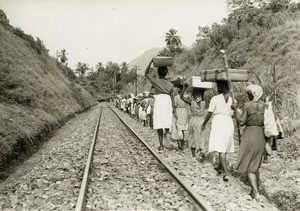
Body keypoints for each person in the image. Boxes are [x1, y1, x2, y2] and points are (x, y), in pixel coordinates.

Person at [233, 84, 265, 201]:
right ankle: (254, 190)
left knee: (248, 166)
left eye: (248, 94)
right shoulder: (264, 106)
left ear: (251, 94)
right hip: (260, 135)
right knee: (255, 165)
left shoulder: (247, 105)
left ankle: (256, 193)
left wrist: (235, 109)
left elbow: (241, 121)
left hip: (250, 134)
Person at [202, 80, 234, 182]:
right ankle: (220, 167)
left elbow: (210, 113)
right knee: (225, 145)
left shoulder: (215, 98)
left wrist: (204, 123)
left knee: (221, 148)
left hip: (219, 122)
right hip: (228, 122)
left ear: (219, 87)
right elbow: (233, 111)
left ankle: (225, 173)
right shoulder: (231, 98)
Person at [145, 59, 175, 151]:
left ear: (158, 72)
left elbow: (146, 73)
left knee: (159, 123)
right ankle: (167, 144)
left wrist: (150, 61)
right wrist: (173, 109)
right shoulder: (170, 84)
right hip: (167, 102)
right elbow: (172, 98)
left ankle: (161, 146)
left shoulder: (155, 81)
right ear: (166, 72)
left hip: (159, 101)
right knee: (166, 123)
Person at [180, 83, 206, 157]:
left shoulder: (192, 102)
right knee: (200, 136)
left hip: (193, 120)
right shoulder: (204, 102)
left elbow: (181, 97)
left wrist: (184, 88)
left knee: (192, 136)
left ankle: (194, 155)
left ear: (193, 95)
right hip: (201, 120)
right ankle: (201, 152)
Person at [173, 85, 189, 150]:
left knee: (178, 128)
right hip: (184, 112)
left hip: (178, 111)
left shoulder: (176, 97)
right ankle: (182, 144)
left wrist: (174, 113)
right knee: (182, 129)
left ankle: (179, 144)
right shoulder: (186, 96)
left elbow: (175, 105)